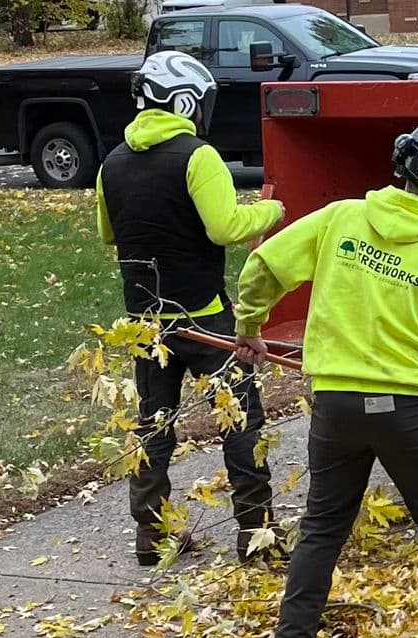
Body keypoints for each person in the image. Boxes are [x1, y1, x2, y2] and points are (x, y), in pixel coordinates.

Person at [233, 120, 418, 638]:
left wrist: (250, 323)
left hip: (336, 406)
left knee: (322, 528)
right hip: (409, 413)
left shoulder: (342, 219)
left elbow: (264, 264)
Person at [97, 50, 285, 567]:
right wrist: (272, 209)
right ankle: (256, 536)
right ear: (185, 102)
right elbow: (225, 227)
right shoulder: (197, 156)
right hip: (203, 317)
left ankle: (151, 538)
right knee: (240, 419)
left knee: (153, 426)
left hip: (145, 323)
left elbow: (107, 232)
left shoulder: (110, 163)